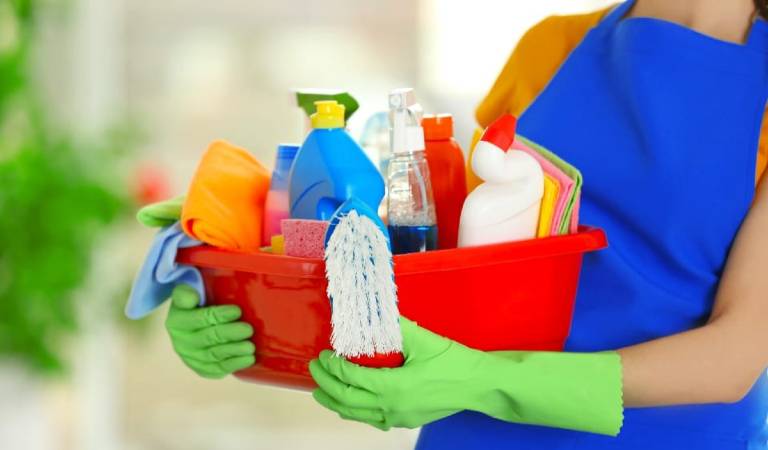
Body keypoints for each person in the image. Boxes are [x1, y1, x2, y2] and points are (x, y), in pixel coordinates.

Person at [162, 0, 768, 448]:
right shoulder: (551, 49)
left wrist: (485, 380)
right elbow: (452, 257)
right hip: (475, 430)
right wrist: (248, 299)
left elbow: (735, 355)